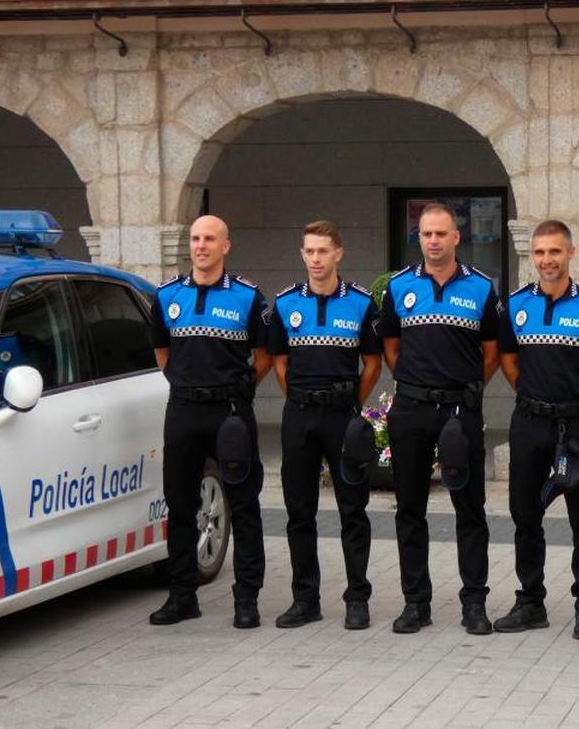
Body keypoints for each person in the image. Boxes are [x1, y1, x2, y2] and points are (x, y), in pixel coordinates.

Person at [377, 202, 501, 635]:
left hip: (459, 412)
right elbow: (390, 346)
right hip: (410, 409)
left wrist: (462, 389)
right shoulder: (399, 288)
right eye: (426, 234)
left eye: (440, 233)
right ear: (420, 238)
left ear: (456, 238)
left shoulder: (483, 289)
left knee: (470, 509)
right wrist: (415, 383)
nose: (432, 241)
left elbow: (491, 353)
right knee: (409, 508)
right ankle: (416, 602)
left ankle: (474, 603)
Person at [148, 215, 270, 629]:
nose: (201, 246)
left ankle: (247, 599)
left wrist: (242, 387)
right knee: (180, 505)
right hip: (182, 410)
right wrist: (185, 383)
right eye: (196, 239)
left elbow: (266, 352)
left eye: (209, 239)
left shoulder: (248, 298)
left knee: (244, 503)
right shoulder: (167, 296)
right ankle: (183, 596)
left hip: (230, 414)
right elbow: (162, 352)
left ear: (225, 246)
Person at [495, 220, 579, 640]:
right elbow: (509, 361)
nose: (547, 260)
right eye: (540, 252)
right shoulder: (514, 305)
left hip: (575, 427)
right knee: (525, 515)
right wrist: (533, 396)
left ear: (571, 254)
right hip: (529, 423)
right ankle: (531, 601)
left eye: (555, 252)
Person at [267, 220, 382, 631]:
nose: (316, 259)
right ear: (303, 254)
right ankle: (305, 599)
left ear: (338, 254)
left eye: (323, 251)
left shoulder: (362, 303)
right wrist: (300, 397)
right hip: (299, 416)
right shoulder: (283, 304)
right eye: (309, 251)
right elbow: (279, 363)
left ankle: (357, 598)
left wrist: (351, 402)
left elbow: (373, 363)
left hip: (342, 416)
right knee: (300, 511)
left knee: (354, 510)